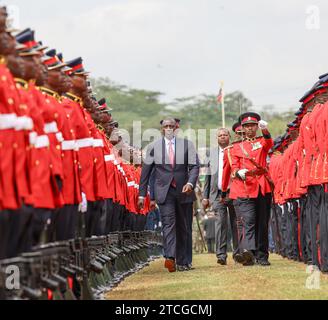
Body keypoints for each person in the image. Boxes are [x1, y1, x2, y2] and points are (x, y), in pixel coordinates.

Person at [138, 118, 200, 272]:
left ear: (176, 128)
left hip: (184, 191)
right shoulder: (153, 147)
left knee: (183, 226)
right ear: (162, 129)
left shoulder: (187, 145)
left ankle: (183, 261)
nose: (169, 128)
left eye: (171, 126)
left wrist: (191, 183)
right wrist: (141, 195)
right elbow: (145, 173)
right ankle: (170, 258)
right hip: (164, 192)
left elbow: (194, 167)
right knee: (168, 224)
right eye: (166, 126)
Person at [228, 112, 273, 266]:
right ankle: (250, 252)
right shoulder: (236, 147)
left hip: (261, 186)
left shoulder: (261, 141)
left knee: (262, 222)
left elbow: (269, 144)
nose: (249, 129)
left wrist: (265, 130)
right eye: (246, 126)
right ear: (243, 128)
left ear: (256, 126)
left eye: (252, 126)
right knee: (249, 221)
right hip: (246, 186)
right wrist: (237, 172)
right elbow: (233, 166)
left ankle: (263, 256)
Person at [202, 128, 241, 265]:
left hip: (234, 192)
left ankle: (238, 253)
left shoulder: (235, 150)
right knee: (220, 224)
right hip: (217, 194)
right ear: (217, 138)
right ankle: (221, 255)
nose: (223, 137)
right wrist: (205, 197)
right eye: (220, 135)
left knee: (236, 223)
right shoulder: (210, 154)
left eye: (225, 135)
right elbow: (207, 176)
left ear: (229, 137)